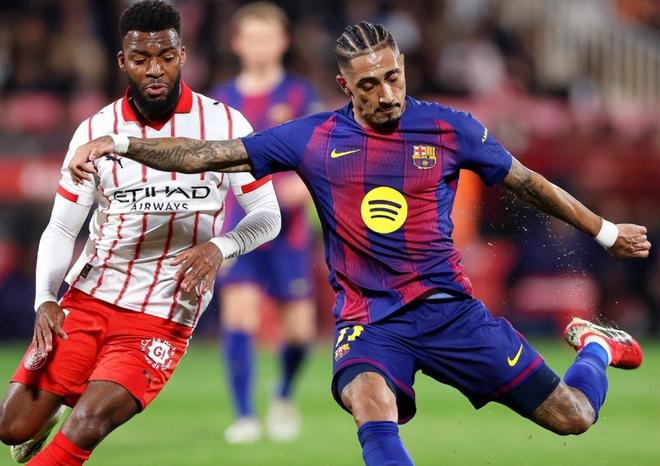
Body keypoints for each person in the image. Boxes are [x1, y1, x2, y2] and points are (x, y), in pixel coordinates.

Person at [69, 21, 651, 466]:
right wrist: (120, 143)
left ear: (403, 68)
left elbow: (528, 182)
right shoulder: (314, 137)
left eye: (393, 77)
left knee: (574, 417)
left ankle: (597, 346)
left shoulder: (450, 128)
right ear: (345, 86)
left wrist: (605, 231)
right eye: (369, 85)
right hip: (368, 321)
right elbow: (206, 155)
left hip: (449, 311)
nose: (386, 93)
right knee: (370, 403)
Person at [0, 2, 281, 465]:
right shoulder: (95, 130)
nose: (155, 69)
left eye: (166, 57)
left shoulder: (225, 125)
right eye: (141, 58)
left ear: (182, 55)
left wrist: (220, 246)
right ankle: (52, 408)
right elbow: (62, 226)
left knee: (88, 423)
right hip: (90, 296)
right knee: (11, 427)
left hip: (164, 310)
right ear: (122, 61)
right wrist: (45, 298)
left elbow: (267, 215)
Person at [209, 2, 323, 444]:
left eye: (267, 37)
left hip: (289, 230)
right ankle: (244, 416)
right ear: (237, 43)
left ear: (283, 42)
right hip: (240, 225)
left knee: (299, 330)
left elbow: (319, 155)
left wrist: (302, 186)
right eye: (252, 37)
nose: (260, 46)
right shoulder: (220, 101)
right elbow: (207, 163)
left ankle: (283, 393)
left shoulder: (300, 96)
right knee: (239, 314)